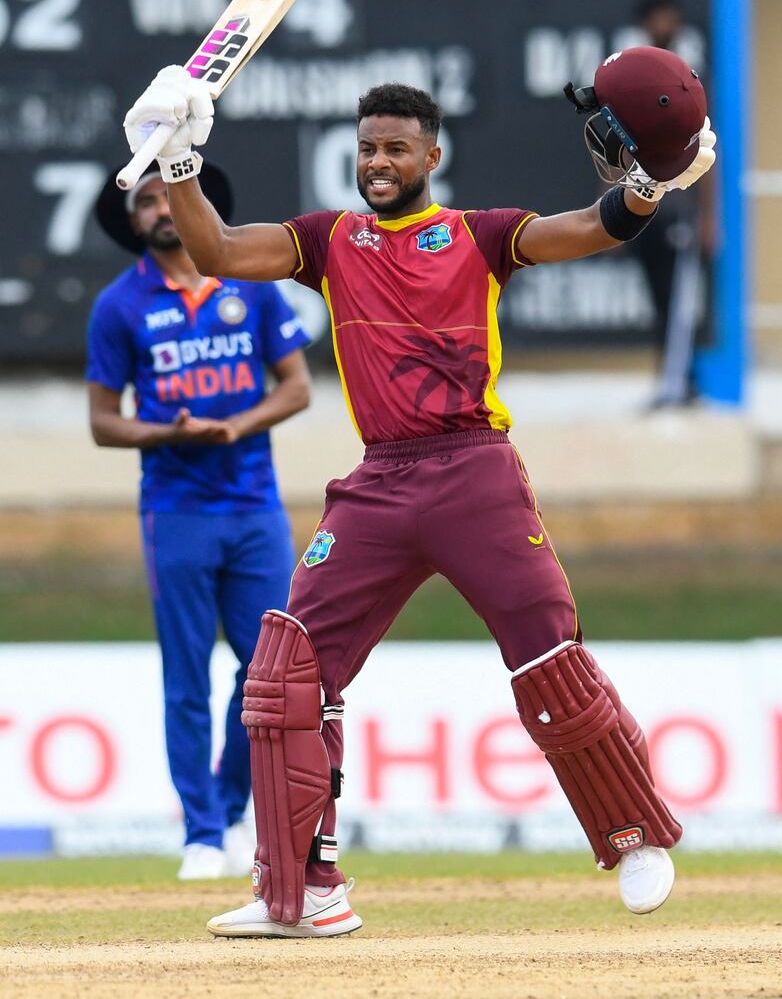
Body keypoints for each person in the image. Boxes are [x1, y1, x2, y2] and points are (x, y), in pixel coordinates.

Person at [120, 47, 715, 934]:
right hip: (380, 483)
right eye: (367, 149)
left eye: (395, 150)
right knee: (288, 667)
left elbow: (589, 228)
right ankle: (303, 892)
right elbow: (212, 248)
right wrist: (179, 164)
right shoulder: (329, 240)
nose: (377, 164)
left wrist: (650, 188)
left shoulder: (481, 234)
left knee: (549, 652)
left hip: (475, 471)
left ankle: (633, 836)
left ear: (431, 157)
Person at [86, 160, 312, 880]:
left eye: (167, 196)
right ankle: (200, 833)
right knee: (186, 677)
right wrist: (167, 434)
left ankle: (235, 808)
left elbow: (299, 388)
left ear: (198, 204)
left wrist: (237, 424)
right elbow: (101, 422)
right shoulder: (119, 307)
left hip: (254, 507)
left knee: (265, 674)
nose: (157, 209)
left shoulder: (251, 284)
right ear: (132, 222)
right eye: (143, 202)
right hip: (175, 509)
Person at [625, 0, 717, 406]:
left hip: (680, 206)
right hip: (644, 205)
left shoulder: (690, 83)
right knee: (661, 299)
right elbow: (617, 151)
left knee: (682, 300)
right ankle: (675, 380)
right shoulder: (629, 83)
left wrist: (708, 216)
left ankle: (679, 385)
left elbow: (709, 148)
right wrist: (611, 211)